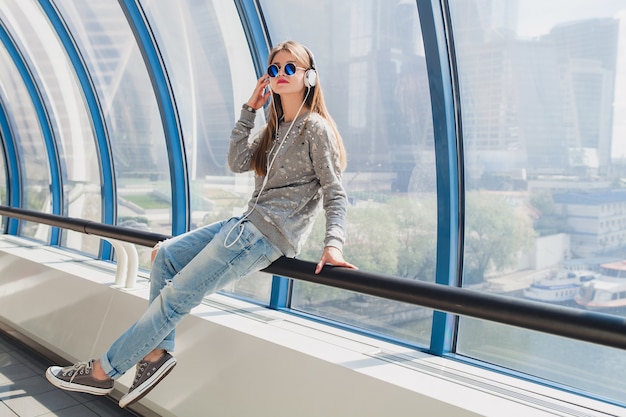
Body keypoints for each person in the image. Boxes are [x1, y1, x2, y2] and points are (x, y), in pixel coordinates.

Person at [45, 40, 357, 409]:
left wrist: (332, 244)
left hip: (262, 235)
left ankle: (102, 372)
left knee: (175, 300)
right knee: (166, 256)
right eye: (275, 69)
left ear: (309, 77)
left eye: (291, 68)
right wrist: (250, 110)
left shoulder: (315, 129)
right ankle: (156, 355)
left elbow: (335, 193)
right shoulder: (275, 127)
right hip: (243, 224)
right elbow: (237, 161)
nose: (282, 74)